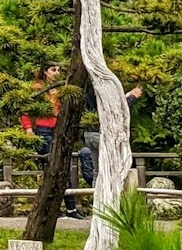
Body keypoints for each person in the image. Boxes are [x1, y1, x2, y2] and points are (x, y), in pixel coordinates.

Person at [20, 61, 87, 219]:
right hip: (43, 130)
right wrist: (28, 128)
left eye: (58, 70)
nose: (57, 73)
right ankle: (53, 209)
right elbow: (25, 109)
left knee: (64, 167)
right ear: (45, 72)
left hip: (58, 129)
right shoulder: (38, 88)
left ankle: (70, 208)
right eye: (53, 70)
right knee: (51, 169)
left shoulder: (61, 89)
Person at [81, 81, 143, 185]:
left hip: (89, 132)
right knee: (110, 170)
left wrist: (128, 95)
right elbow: (115, 109)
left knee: (97, 171)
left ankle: (96, 197)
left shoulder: (87, 87)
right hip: (102, 133)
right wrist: (131, 97)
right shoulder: (102, 88)